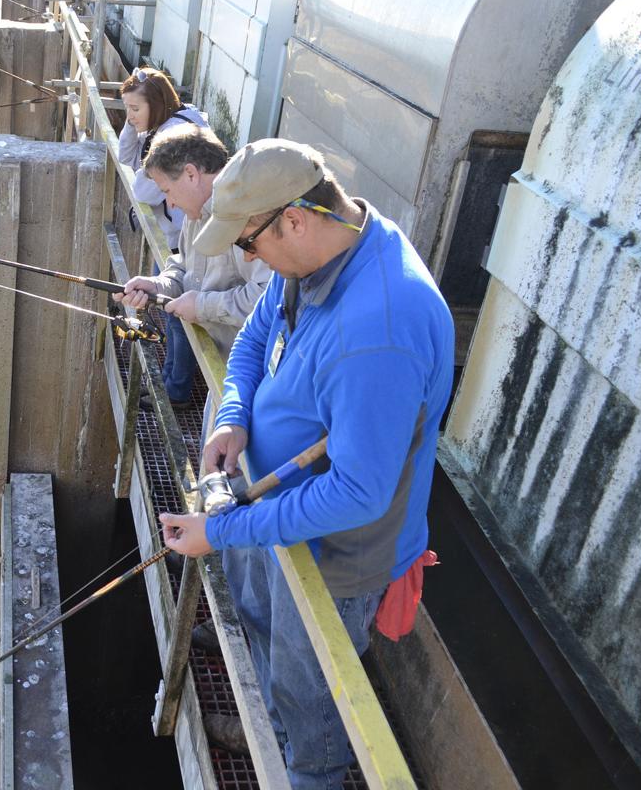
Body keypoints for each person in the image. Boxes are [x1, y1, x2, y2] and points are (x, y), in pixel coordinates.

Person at [159, 139, 454, 789]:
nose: (247, 259)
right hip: (270, 507)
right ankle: (274, 725)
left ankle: (308, 767)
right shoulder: (328, 248)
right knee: (261, 625)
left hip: (334, 553)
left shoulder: (379, 329)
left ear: (293, 219)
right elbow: (257, 336)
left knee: (307, 682)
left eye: (247, 244)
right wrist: (233, 415)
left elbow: (357, 493)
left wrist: (223, 531)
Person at [113, 124, 272, 406]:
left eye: (167, 191)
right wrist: (156, 286)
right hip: (221, 368)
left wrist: (201, 306)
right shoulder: (196, 212)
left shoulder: (251, 216)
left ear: (190, 174)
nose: (170, 204)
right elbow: (183, 266)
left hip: (255, 381)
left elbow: (267, 299)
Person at [117, 68, 210, 408]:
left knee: (177, 313)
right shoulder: (164, 123)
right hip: (179, 238)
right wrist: (134, 122)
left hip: (186, 241)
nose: (130, 116)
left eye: (135, 108)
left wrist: (144, 135)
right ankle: (174, 379)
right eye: (126, 108)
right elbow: (127, 157)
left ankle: (177, 390)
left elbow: (143, 188)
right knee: (172, 312)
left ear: (156, 104)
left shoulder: (173, 136)